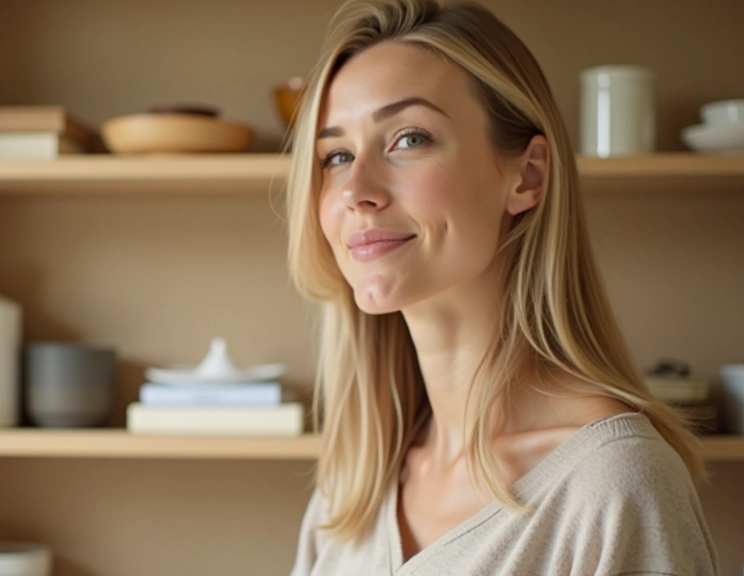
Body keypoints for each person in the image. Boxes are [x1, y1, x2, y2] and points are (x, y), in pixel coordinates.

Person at [284, 0, 718, 574]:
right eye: (336, 155)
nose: (354, 190)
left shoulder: (614, 483)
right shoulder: (350, 491)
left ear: (527, 175)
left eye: (409, 139)